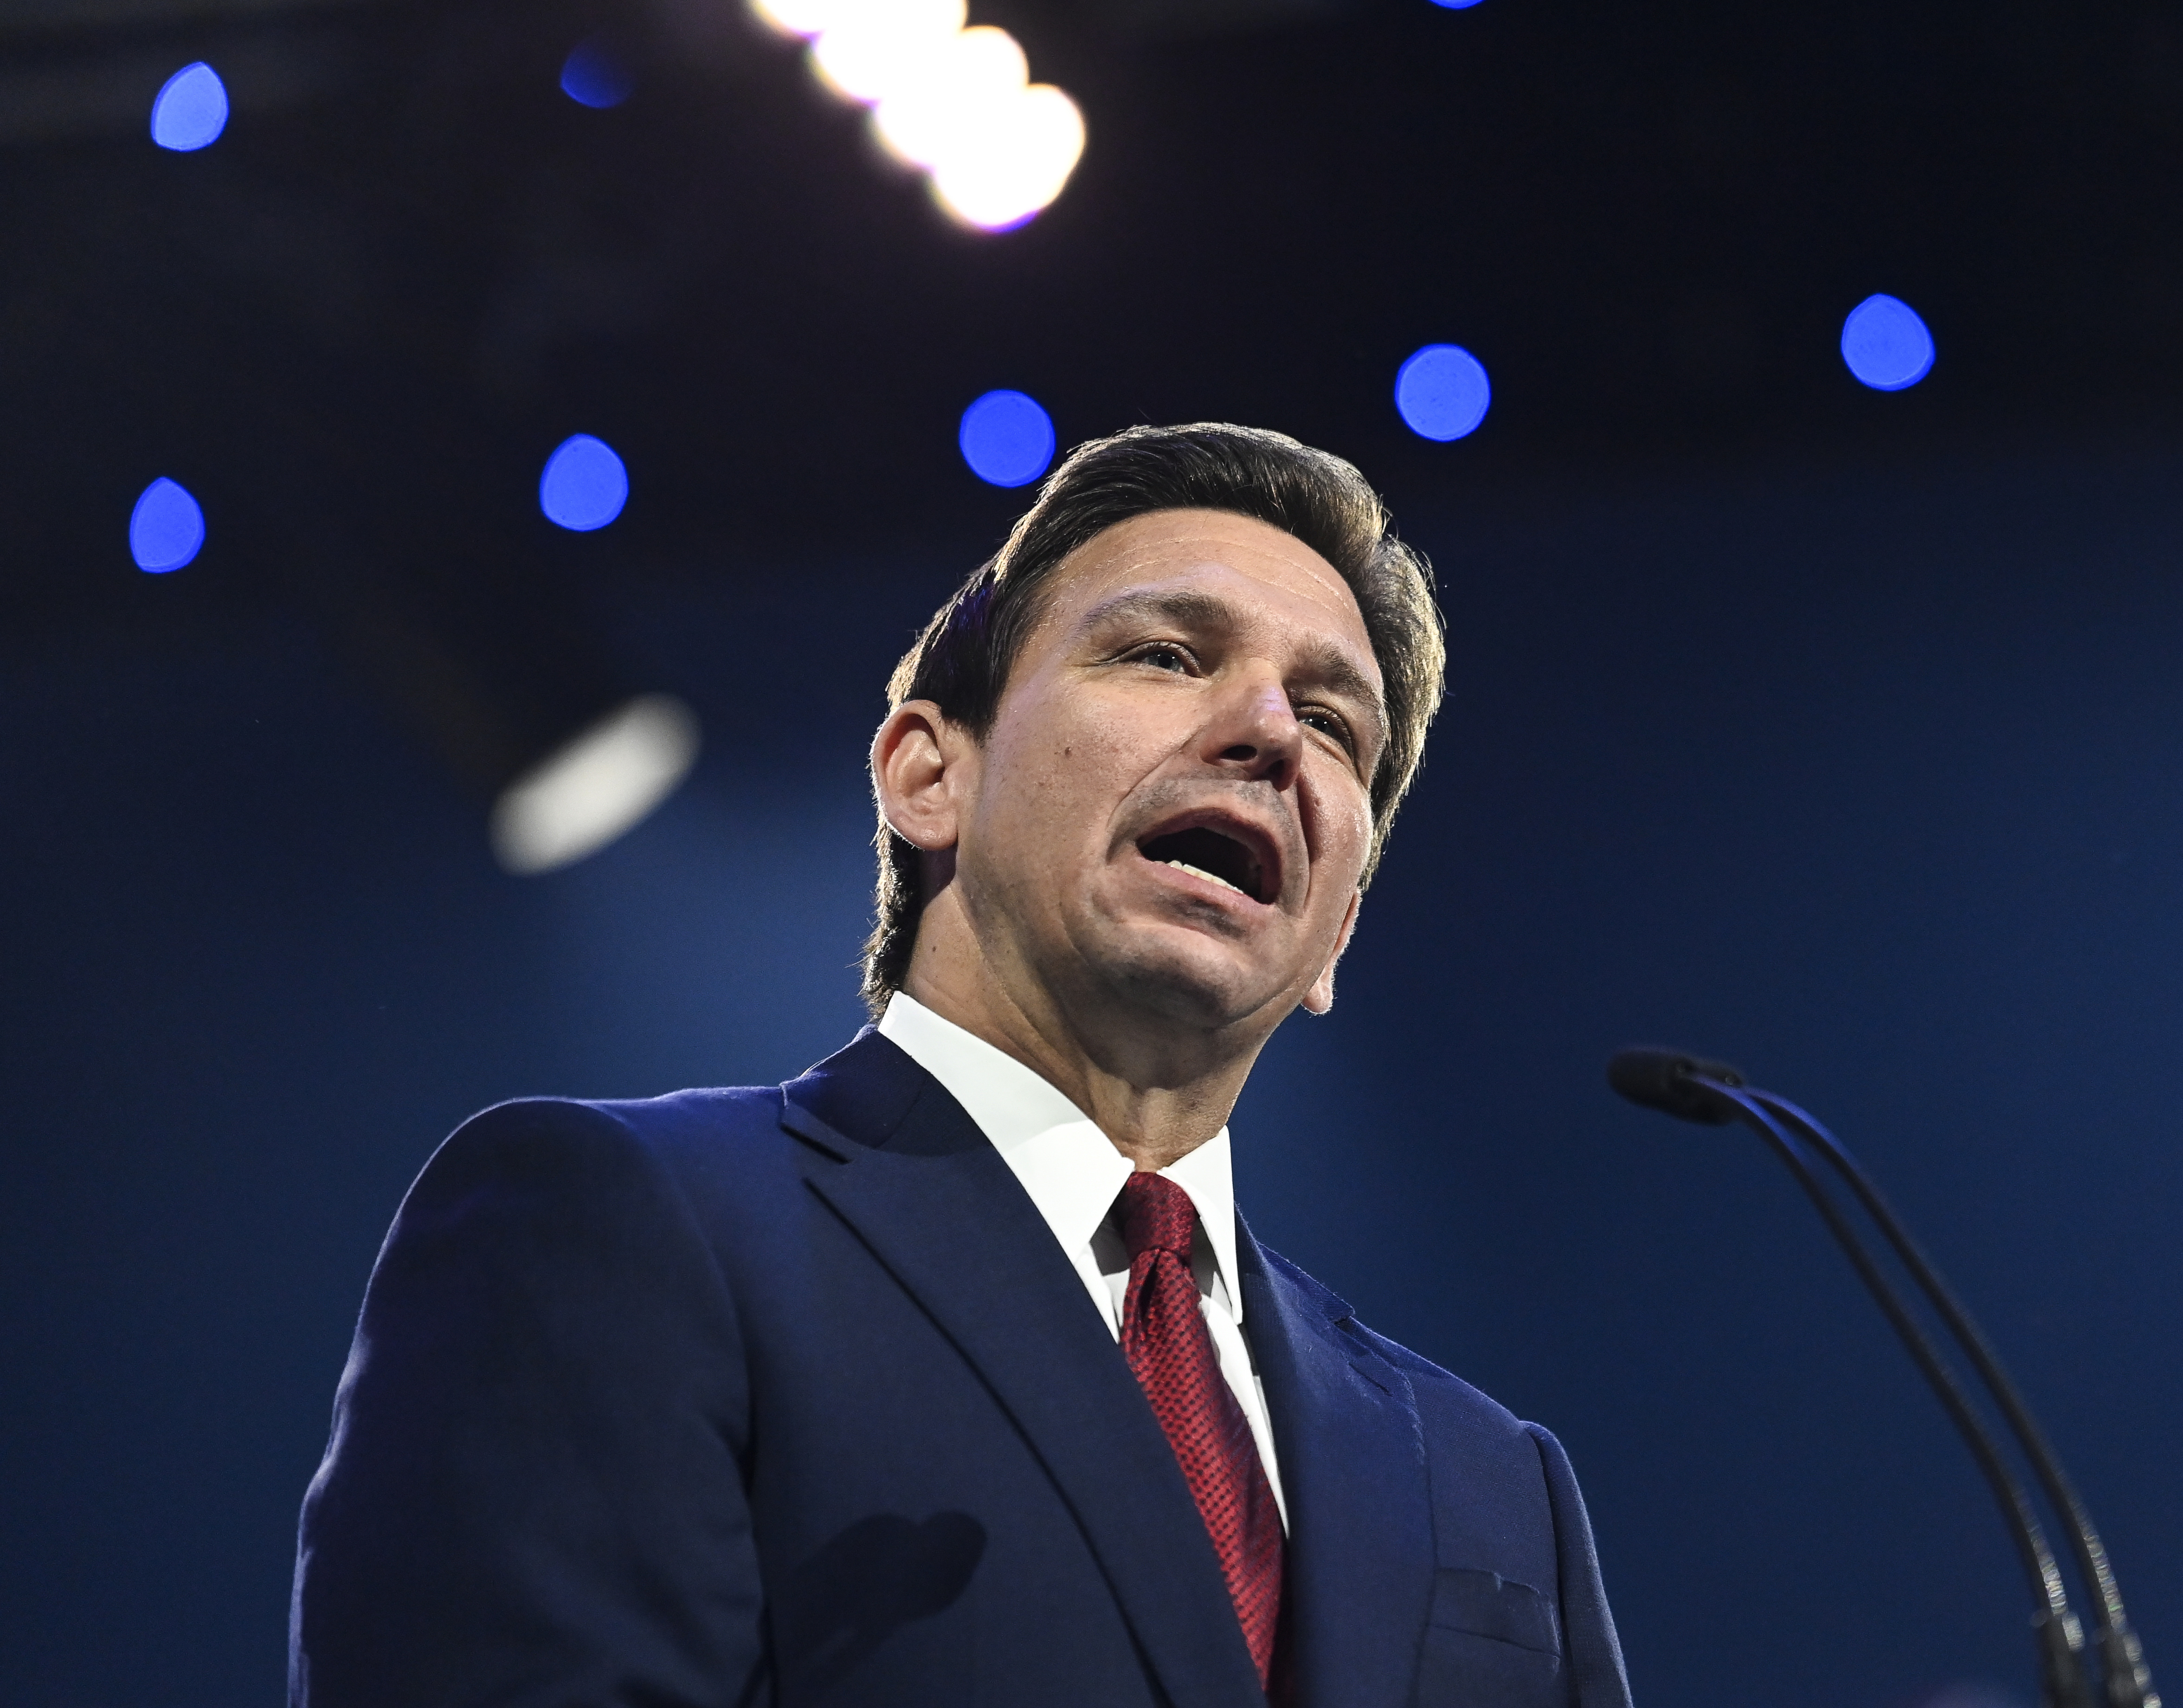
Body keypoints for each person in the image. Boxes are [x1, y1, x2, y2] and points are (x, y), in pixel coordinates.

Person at [289, 422, 1631, 1708]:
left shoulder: (1487, 1476)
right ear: (928, 774)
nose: (1272, 731)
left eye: (1337, 724)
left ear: (1336, 930)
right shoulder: (620, 1230)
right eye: (1165, 654)